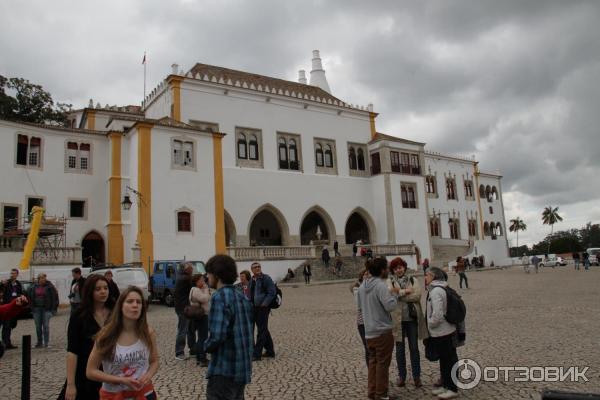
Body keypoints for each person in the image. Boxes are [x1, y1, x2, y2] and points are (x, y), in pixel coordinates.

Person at [87, 286, 159, 400]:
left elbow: (154, 361)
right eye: (130, 301)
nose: (135, 305)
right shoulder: (106, 335)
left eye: (139, 302)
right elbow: (90, 371)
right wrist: (121, 380)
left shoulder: (148, 332)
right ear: (120, 306)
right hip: (114, 395)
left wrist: (148, 376)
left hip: (144, 394)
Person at [204, 254, 254, 400]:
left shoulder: (219, 297)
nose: (207, 277)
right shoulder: (242, 297)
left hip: (224, 369)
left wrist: (204, 346)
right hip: (241, 368)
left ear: (217, 275)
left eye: (209, 273)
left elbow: (217, 336)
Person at [60, 275, 115, 400]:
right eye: (98, 289)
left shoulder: (115, 312)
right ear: (90, 291)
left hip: (109, 372)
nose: (103, 291)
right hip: (85, 373)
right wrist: (70, 384)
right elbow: (72, 351)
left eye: (105, 288)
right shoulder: (79, 316)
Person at [357, 257, 399, 400]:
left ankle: (372, 392)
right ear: (382, 270)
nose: (388, 270)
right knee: (382, 364)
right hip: (382, 331)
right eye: (386, 268)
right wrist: (395, 294)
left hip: (369, 331)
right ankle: (381, 394)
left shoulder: (362, 286)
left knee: (373, 362)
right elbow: (390, 306)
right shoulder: (380, 285)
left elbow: (360, 307)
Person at [387, 258, 427, 388]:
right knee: (399, 350)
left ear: (404, 267)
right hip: (397, 321)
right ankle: (402, 376)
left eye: (400, 267)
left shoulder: (413, 280)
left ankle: (416, 376)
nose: (399, 270)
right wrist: (405, 292)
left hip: (411, 319)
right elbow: (390, 295)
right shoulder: (390, 281)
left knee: (414, 348)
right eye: (396, 268)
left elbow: (417, 296)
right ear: (393, 270)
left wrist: (399, 295)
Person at [424, 267, 459, 399]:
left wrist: (430, 323)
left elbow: (437, 314)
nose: (425, 278)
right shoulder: (439, 288)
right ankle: (446, 385)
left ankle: (452, 388)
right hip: (444, 330)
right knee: (445, 360)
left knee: (448, 360)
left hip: (442, 331)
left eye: (427, 275)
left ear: (433, 276)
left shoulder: (436, 291)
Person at [250, 262, 276, 361]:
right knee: (264, 329)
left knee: (261, 331)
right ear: (252, 270)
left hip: (263, 308)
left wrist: (265, 303)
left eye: (258, 267)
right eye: (255, 267)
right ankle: (270, 351)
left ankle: (257, 354)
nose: (257, 268)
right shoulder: (252, 280)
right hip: (254, 308)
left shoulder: (266, 278)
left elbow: (272, 292)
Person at [28, 273, 58, 348]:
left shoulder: (50, 286)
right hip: (36, 309)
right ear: (38, 279)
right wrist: (32, 307)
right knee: (38, 327)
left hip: (46, 309)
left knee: (46, 326)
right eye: (42, 278)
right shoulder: (34, 286)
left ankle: (46, 343)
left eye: (44, 278)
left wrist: (53, 309)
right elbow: (29, 295)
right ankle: (39, 342)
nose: (43, 279)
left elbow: (54, 298)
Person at [190, 273, 211, 367]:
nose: (203, 282)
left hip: (201, 315)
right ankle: (202, 358)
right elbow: (205, 299)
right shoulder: (196, 290)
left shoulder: (196, 289)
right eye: (201, 280)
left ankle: (200, 357)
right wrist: (206, 290)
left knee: (201, 337)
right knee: (203, 337)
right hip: (202, 316)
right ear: (197, 281)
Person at [174, 262, 195, 360]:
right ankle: (179, 352)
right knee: (183, 330)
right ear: (186, 269)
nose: (192, 270)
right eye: (191, 268)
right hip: (183, 308)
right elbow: (197, 282)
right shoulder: (186, 278)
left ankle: (193, 349)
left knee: (190, 329)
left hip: (183, 307)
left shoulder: (181, 276)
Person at [351, 269, 370, 367]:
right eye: (365, 274)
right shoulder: (357, 289)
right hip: (362, 323)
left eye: (369, 274)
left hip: (372, 322)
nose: (367, 276)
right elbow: (360, 304)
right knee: (368, 347)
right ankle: (371, 372)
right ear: (361, 277)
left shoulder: (373, 287)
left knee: (373, 348)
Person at [1, 268, 23, 350]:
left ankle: (8, 342)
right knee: (6, 326)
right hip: (7, 306)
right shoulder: (7, 283)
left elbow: (20, 293)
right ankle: (5, 343)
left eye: (14, 273)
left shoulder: (18, 284)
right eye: (11, 273)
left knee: (11, 325)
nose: (12, 274)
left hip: (14, 307)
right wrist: (1, 283)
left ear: (17, 274)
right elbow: (1, 288)